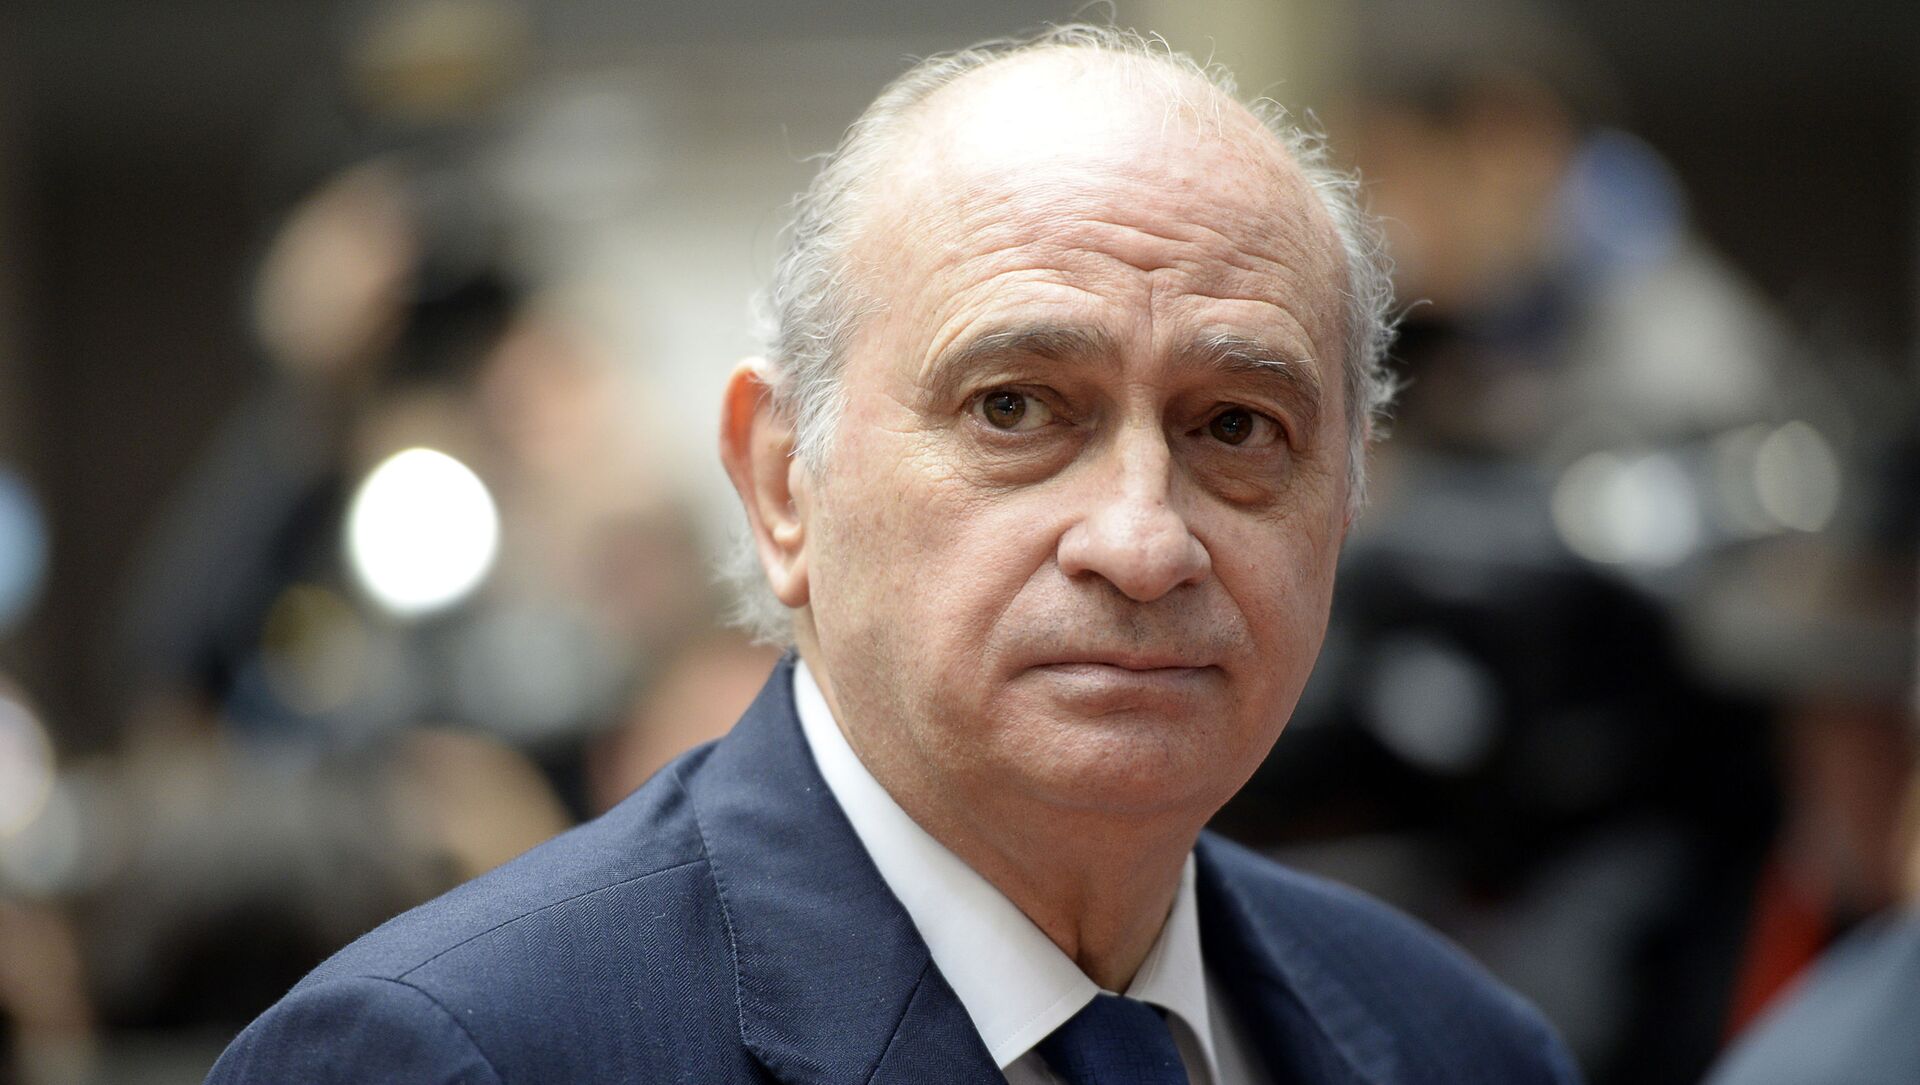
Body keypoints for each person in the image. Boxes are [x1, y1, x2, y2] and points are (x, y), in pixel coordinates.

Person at [209, 26, 1580, 1084]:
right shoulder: (452, 1054)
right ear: (781, 482)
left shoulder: (1463, 1048)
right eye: (1015, 409)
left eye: (1237, 426)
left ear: (1346, 506)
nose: (1142, 540)